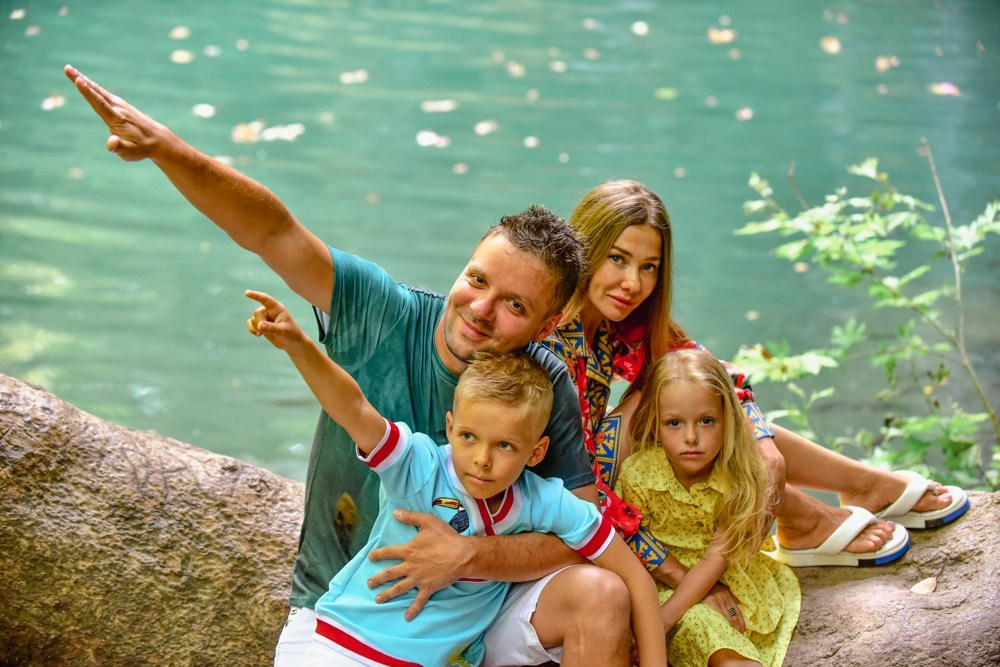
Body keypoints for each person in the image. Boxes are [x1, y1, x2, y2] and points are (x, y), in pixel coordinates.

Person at [64, 64, 639, 665]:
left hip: (475, 608)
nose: (481, 310)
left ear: (547, 326)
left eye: (515, 305)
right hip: (350, 611)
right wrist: (169, 150)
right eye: (476, 280)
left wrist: (471, 557)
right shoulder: (383, 313)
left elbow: (584, 538)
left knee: (599, 595)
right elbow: (272, 232)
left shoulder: (543, 384)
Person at [541, 179, 967, 575]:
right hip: (573, 503)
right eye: (617, 259)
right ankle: (806, 518)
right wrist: (668, 568)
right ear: (586, 249)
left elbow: (712, 373)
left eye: (649, 267)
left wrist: (763, 442)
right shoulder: (554, 342)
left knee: (691, 386)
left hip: (598, 478)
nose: (632, 283)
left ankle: (863, 484)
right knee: (669, 393)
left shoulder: (619, 321)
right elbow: (580, 489)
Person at [243, 290, 667, 666]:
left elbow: (634, 579)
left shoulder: (544, 501)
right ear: (449, 428)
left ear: (536, 452)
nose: (481, 460)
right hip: (346, 645)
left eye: (504, 446)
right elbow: (354, 408)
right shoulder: (420, 467)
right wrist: (299, 346)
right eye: (468, 437)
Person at [617, 348, 800, 667]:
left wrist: (661, 623)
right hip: (661, 584)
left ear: (727, 419)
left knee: (707, 625)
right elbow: (629, 543)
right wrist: (659, 614)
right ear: (655, 424)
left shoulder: (738, 476)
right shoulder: (638, 474)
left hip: (730, 581)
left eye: (706, 421)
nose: (691, 437)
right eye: (674, 423)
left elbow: (717, 557)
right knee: (700, 627)